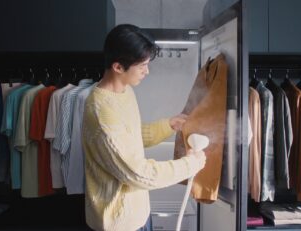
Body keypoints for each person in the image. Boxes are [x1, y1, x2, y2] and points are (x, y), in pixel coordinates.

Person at [82, 24, 207, 231]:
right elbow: (138, 173)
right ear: (118, 67)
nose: (147, 71)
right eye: (142, 66)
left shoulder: (124, 92)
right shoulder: (101, 113)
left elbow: (129, 138)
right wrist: (190, 164)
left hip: (138, 214)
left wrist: (168, 125)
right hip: (118, 224)